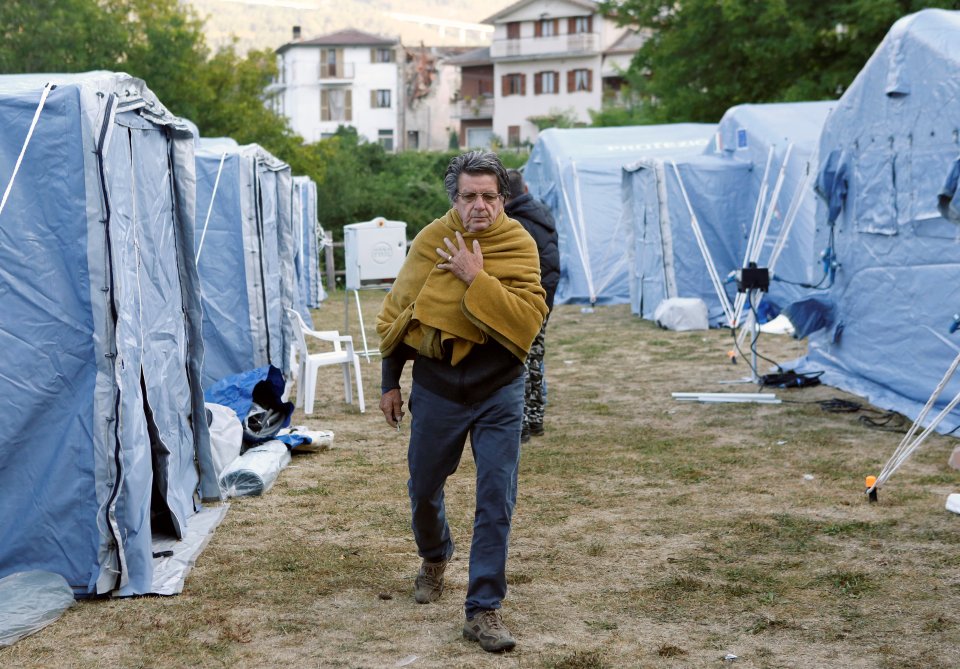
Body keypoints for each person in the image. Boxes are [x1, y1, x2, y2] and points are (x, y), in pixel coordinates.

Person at [377, 151, 547, 653]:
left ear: (503, 198)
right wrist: (391, 382)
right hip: (438, 387)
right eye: (469, 196)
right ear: (455, 198)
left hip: (499, 389)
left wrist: (477, 277)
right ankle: (435, 556)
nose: (480, 206)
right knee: (424, 487)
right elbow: (401, 317)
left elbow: (528, 320)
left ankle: (483, 610)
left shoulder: (519, 243)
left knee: (497, 498)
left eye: (489, 196)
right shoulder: (431, 241)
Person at [504, 169, 560, 443]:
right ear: (525, 190)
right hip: (544, 301)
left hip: (524, 303)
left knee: (519, 362)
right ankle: (536, 419)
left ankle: (521, 424)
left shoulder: (514, 224)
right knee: (535, 360)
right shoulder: (542, 215)